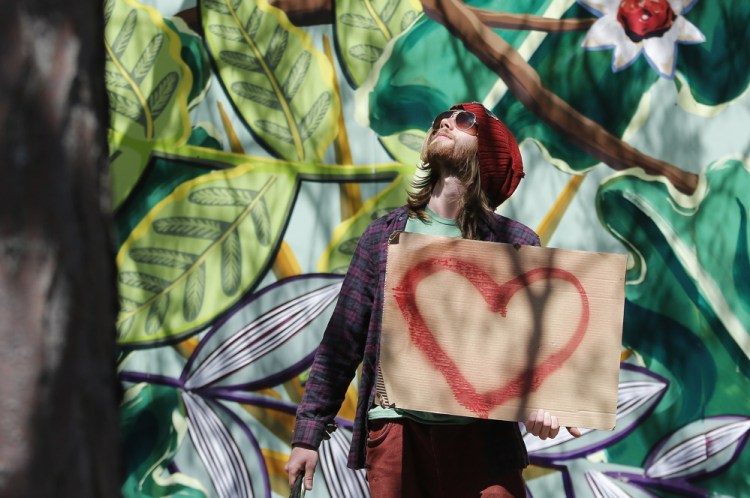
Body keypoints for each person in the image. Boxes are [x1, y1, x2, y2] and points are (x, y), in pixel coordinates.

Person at [285, 102, 581, 497]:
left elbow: (535, 352)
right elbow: (342, 342)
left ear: (490, 150)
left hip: (484, 442)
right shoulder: (382, 237)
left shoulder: (516, 245)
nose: (444, 121)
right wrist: (306, 436)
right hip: (397, 435)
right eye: (441, 118)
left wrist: (549, 405)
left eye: (464, 119)